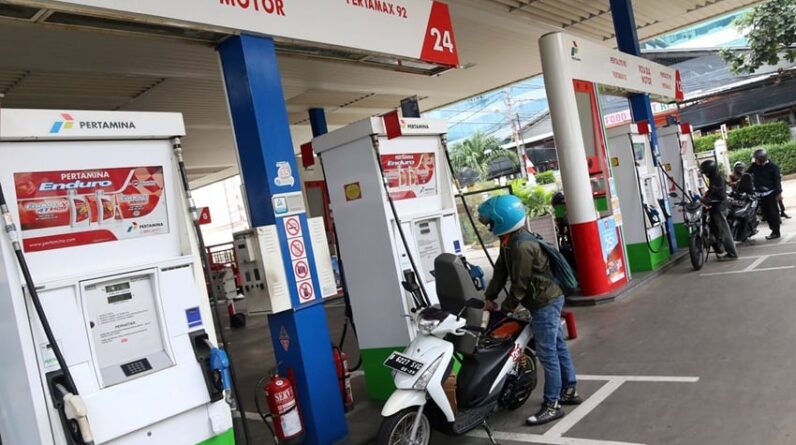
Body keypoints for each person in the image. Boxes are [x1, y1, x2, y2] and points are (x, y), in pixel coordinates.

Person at [477, 194, 581, 427]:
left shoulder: (521, 246)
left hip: (545, 302)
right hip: (545, 299)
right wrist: (489, 297)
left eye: (490, 222)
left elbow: (520, 286)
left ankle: (552, 405)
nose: (489, 226)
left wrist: (505, 310)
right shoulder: (509, 241)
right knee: (557, 346)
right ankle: (569, 390)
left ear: (502, 220)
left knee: (547, 354)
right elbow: (501, 271)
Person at [700, 160, 738, 259]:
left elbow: (719, 194)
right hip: (716, 207)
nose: (706, 174)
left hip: (719, 208)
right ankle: (721, 249)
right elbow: (712, 190)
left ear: (710, 171)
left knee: (724, 232)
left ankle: (732, 253)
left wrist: (708, 199)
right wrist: (706, 194)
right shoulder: (714, 177)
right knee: (718, 230)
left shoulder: (717, 179)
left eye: (706, 172)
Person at [747, 149, 783, 239]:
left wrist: (779, 193)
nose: (755, 160)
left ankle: (776, 232)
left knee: (773, 213)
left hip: (770, 193)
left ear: (761, 159)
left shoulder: (773, 167)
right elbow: (746, 174)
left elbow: (777, 181)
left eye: (756, 159)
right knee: (766, 214)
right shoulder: (754, 166)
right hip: (759, 194)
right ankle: (772, 230)